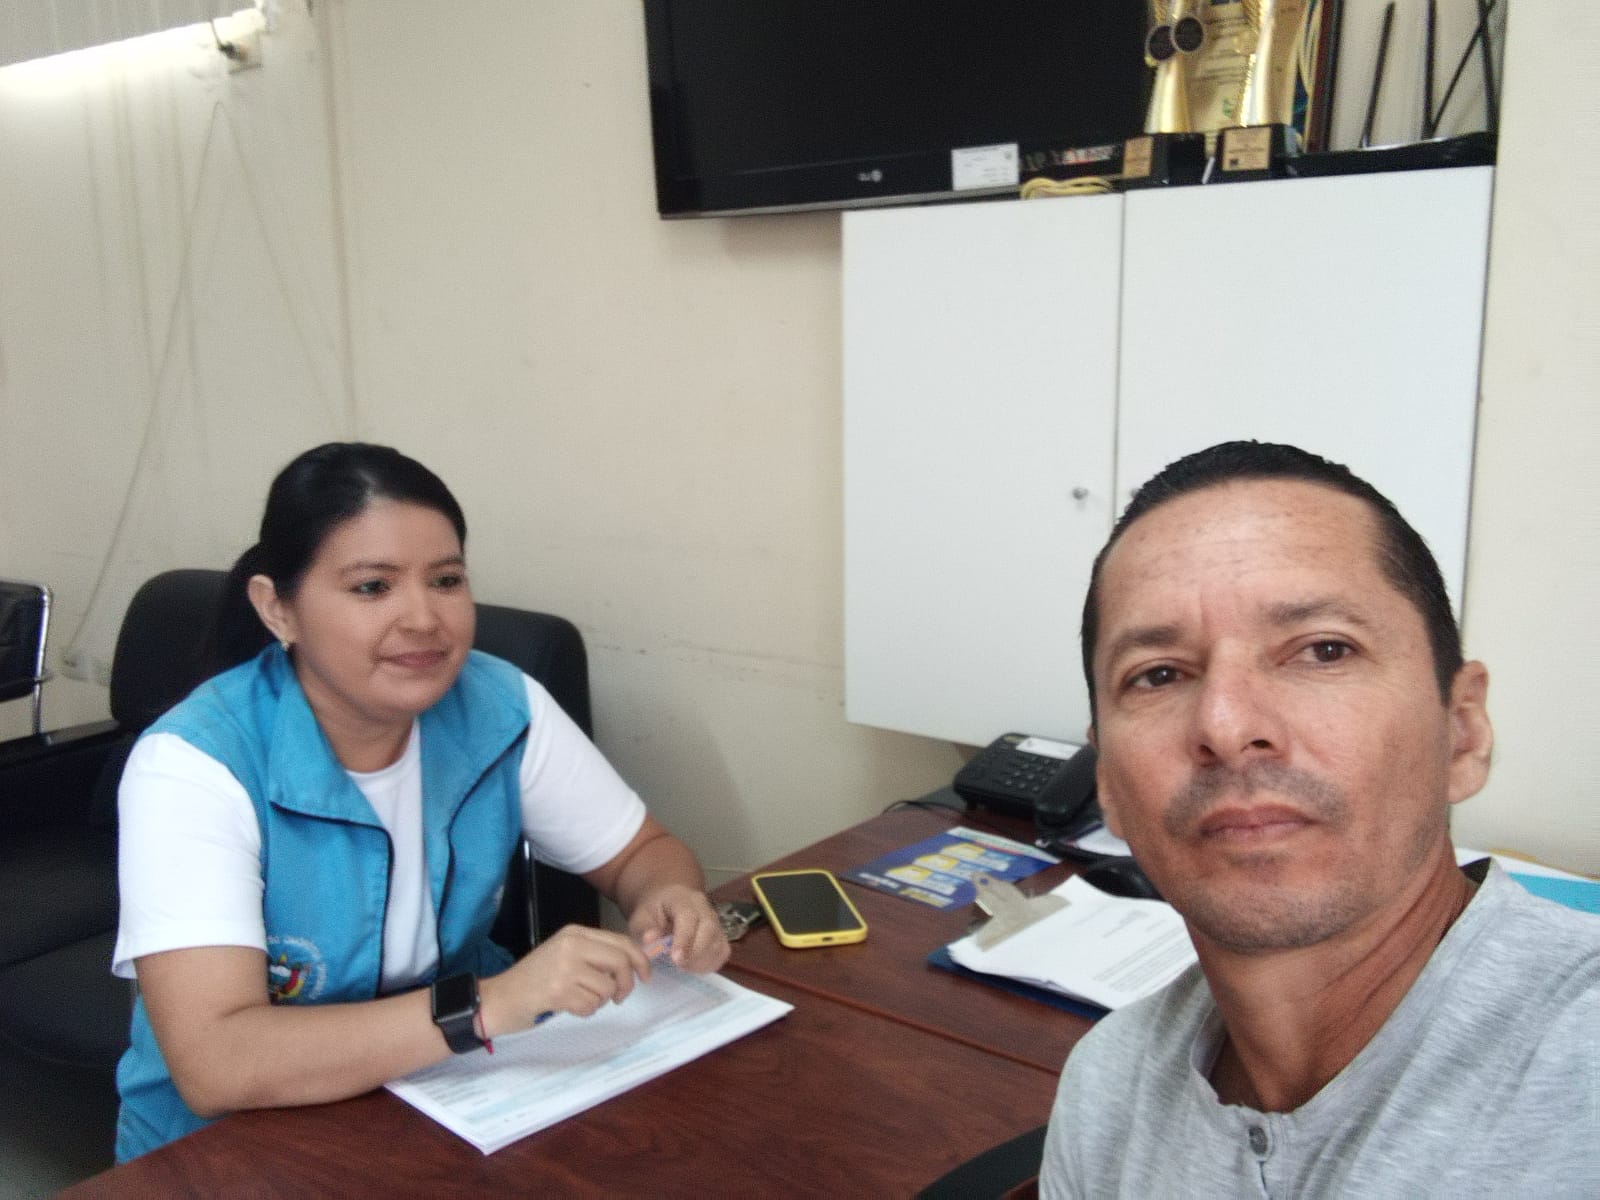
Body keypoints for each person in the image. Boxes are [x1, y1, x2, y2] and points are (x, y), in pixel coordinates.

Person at [112, 442, 730, 1160]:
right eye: (373, 587)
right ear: (277, 609)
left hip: (450, 1099)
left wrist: (670, 896)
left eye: (446, 580)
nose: (424, 619)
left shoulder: (501, 706)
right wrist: (488, 1005)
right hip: (232, 1147)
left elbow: (642, 853)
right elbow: (218, 1064)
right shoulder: (191, 767)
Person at [1040, 441, 1600, 1197]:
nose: (1227, 726)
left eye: (1324, 651)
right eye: (1159, 674)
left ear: (1462, 731)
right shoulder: (1106, 1090)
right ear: (1106, 780)